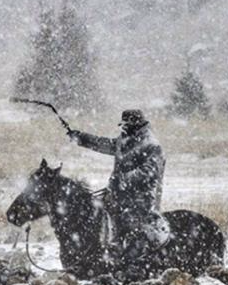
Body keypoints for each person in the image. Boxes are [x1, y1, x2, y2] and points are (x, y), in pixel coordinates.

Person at [67, 110, 170, 271]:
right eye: (123, 125)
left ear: (136, 125)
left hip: (140, 200)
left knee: (131, 235)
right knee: (106, 227)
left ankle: (131, 266)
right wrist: (81, 138)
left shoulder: (151, 145)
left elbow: (149, 172)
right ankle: (108, 260)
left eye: (126, 125)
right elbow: (106, 144)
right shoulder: (125, 139)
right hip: (119, 196)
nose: (123, 129)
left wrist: (121, 180)